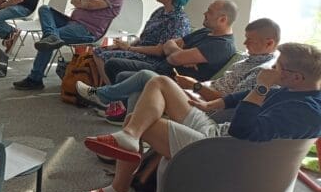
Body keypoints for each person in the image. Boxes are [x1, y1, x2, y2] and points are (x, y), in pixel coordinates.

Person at [79, 42, 321, 192]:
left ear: (297, 77)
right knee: (160, 82)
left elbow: (242, 131)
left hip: (223, 150)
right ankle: (129, 138)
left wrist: (261, 87)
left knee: (140, 121)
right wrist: (212, 103)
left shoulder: (305, 111)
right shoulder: (296, 91)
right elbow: (242, 97)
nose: (271, 70)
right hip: (218, 132)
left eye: (278, 67)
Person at [78, 17, 279, 124]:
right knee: (142, 85)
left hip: (205, 104)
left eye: (250, 40)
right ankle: (128, 141)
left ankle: (104, 97)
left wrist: (196, 86)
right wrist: (184, 55)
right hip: (197, 92)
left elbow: (229, 102)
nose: (244, 43)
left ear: (269, 42)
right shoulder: (246, 57)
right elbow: (172, 47)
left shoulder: (262, 72)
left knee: (150, 78)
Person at [75, 0, 238, 113]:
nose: (205, 13)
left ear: (223, 19)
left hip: (174, 80)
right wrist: (181, 53)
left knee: (136, 75)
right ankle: (116, 107)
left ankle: (101, 96)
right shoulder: (206, 32)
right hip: (162, 67)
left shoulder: (222, 45)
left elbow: (173, 57)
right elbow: (169, 44)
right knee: (116, 67)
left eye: (209, 12)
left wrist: (177, 53)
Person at [13, 0, 123, 91]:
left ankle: (35, 79)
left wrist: (84, 0)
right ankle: (51, 36)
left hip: (87, 30)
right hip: (72, 22)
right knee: (45, 9)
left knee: (48, 40)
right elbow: (74, 0)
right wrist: (85, 1)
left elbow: (91, 4)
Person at [93, 0, 192, 84]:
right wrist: (125, 45)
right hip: (140, 50)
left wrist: (130, 48)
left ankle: (109, 93)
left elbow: (161, 51)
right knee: (98, 51)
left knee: (105, 56)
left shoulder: (178, 20)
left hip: (154, 59)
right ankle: (107, 90)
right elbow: (143, 37)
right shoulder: (160, 11)